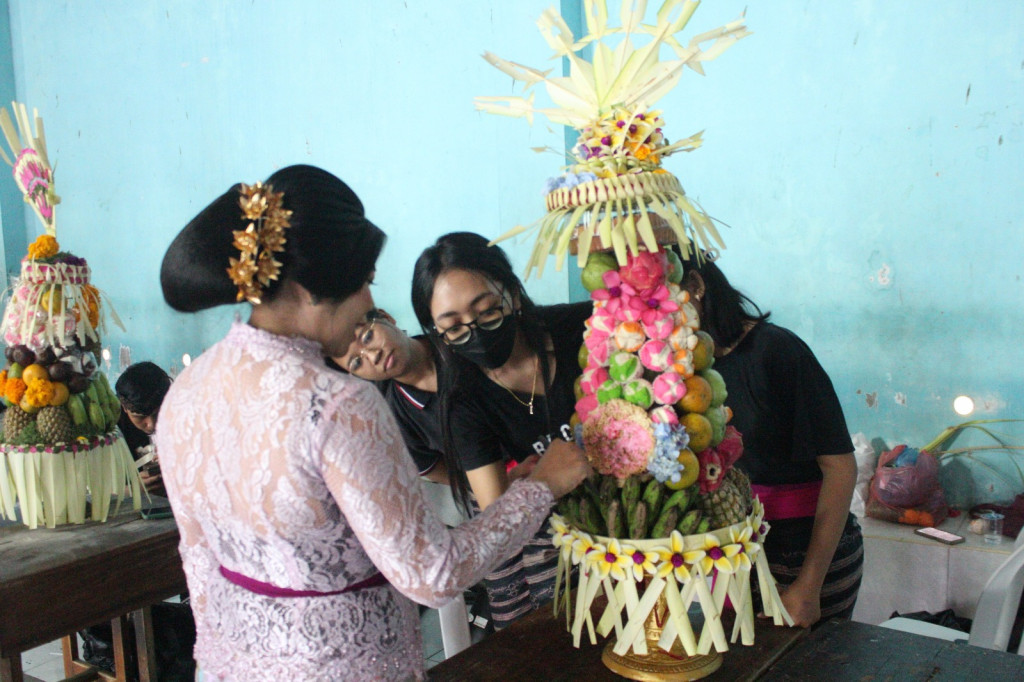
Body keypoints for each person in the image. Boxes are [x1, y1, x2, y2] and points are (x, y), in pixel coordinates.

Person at [155, 165, 589, 681]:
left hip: (231, 666)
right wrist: (542, 486)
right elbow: (433, 573)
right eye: (363, 282)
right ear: (310, 289)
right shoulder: (336, 403)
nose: (367, 304)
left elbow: (197, 558)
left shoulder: (188, 389)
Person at [411, 232, 591, 629]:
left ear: (510, 290)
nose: (474, 330)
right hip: (572, 542)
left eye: (488, 311)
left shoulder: (582, 328)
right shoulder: (464, 401)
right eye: (453, 326)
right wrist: (543, 482)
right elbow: (498, 511)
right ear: (435, 332)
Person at [676, 249, 862, 627]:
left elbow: (841, 469)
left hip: (803, 553)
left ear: (695, 286)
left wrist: (809, 586)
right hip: (733, 550)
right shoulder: (680, 370)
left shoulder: (776, 351)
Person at [330, 308, 448, 483]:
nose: (373, 356)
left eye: (367, 337)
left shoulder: (454, 340)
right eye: (357, 362)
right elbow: (434, 469)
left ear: (386, 317)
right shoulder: (393, 422)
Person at [115, 360, 172, 497]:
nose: (151, 424)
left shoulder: (187, 420)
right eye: (140, 417)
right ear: (124, 407)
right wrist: (133, 490)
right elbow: (95, 492)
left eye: (158, 413)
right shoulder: (110, 430)